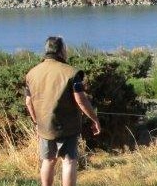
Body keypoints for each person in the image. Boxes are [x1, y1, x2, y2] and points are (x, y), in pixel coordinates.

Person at [25, 37, 102, 186]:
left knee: (48, 161)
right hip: (67, 127)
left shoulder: (31, 73)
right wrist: (94, 119)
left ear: (46, 50)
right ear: (61, 51)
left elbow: (28, 102)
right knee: (69, 161)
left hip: (45, 127)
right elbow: (81, 100)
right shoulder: (72, 74)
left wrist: (37, 122)